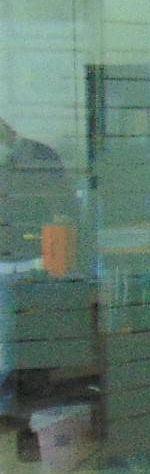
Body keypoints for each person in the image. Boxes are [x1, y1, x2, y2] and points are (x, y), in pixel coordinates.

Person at [0, 119, 73, 413]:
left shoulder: (40, 157)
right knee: (10, 337)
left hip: (36, 261)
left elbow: (62, 208)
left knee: (30, 337)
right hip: (10, 263)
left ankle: (27, 406)